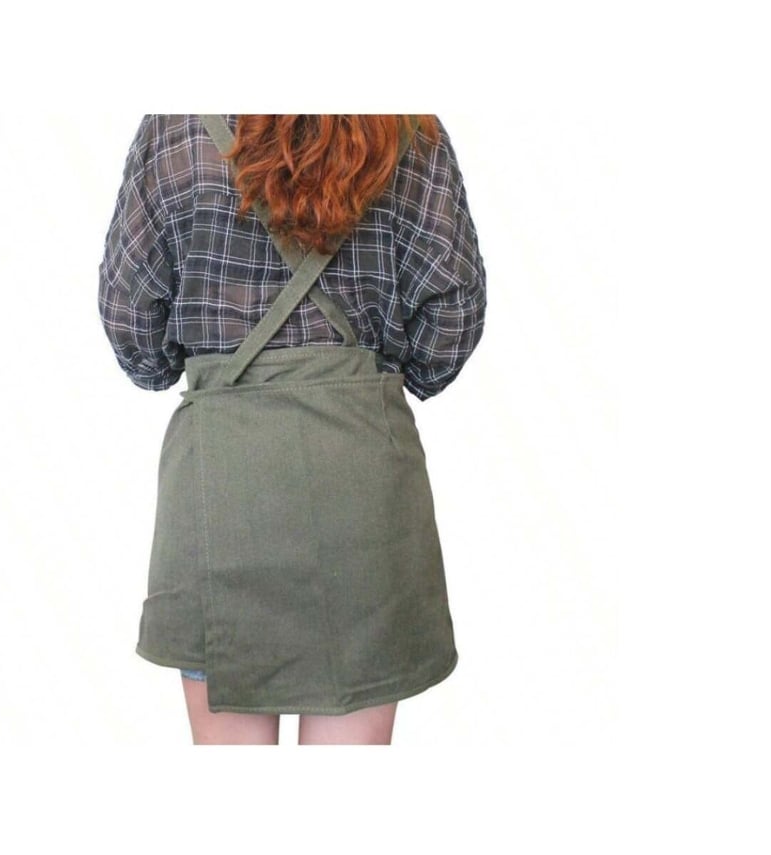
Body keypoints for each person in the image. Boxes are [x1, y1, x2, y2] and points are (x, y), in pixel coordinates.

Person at [98, 115, 486, 744]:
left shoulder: (173, 126)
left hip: (222, 483)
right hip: (362, 480)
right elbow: (454, 310)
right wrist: (379, 374)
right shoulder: (408, 129)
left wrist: (201, 365)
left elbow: (131, 323)